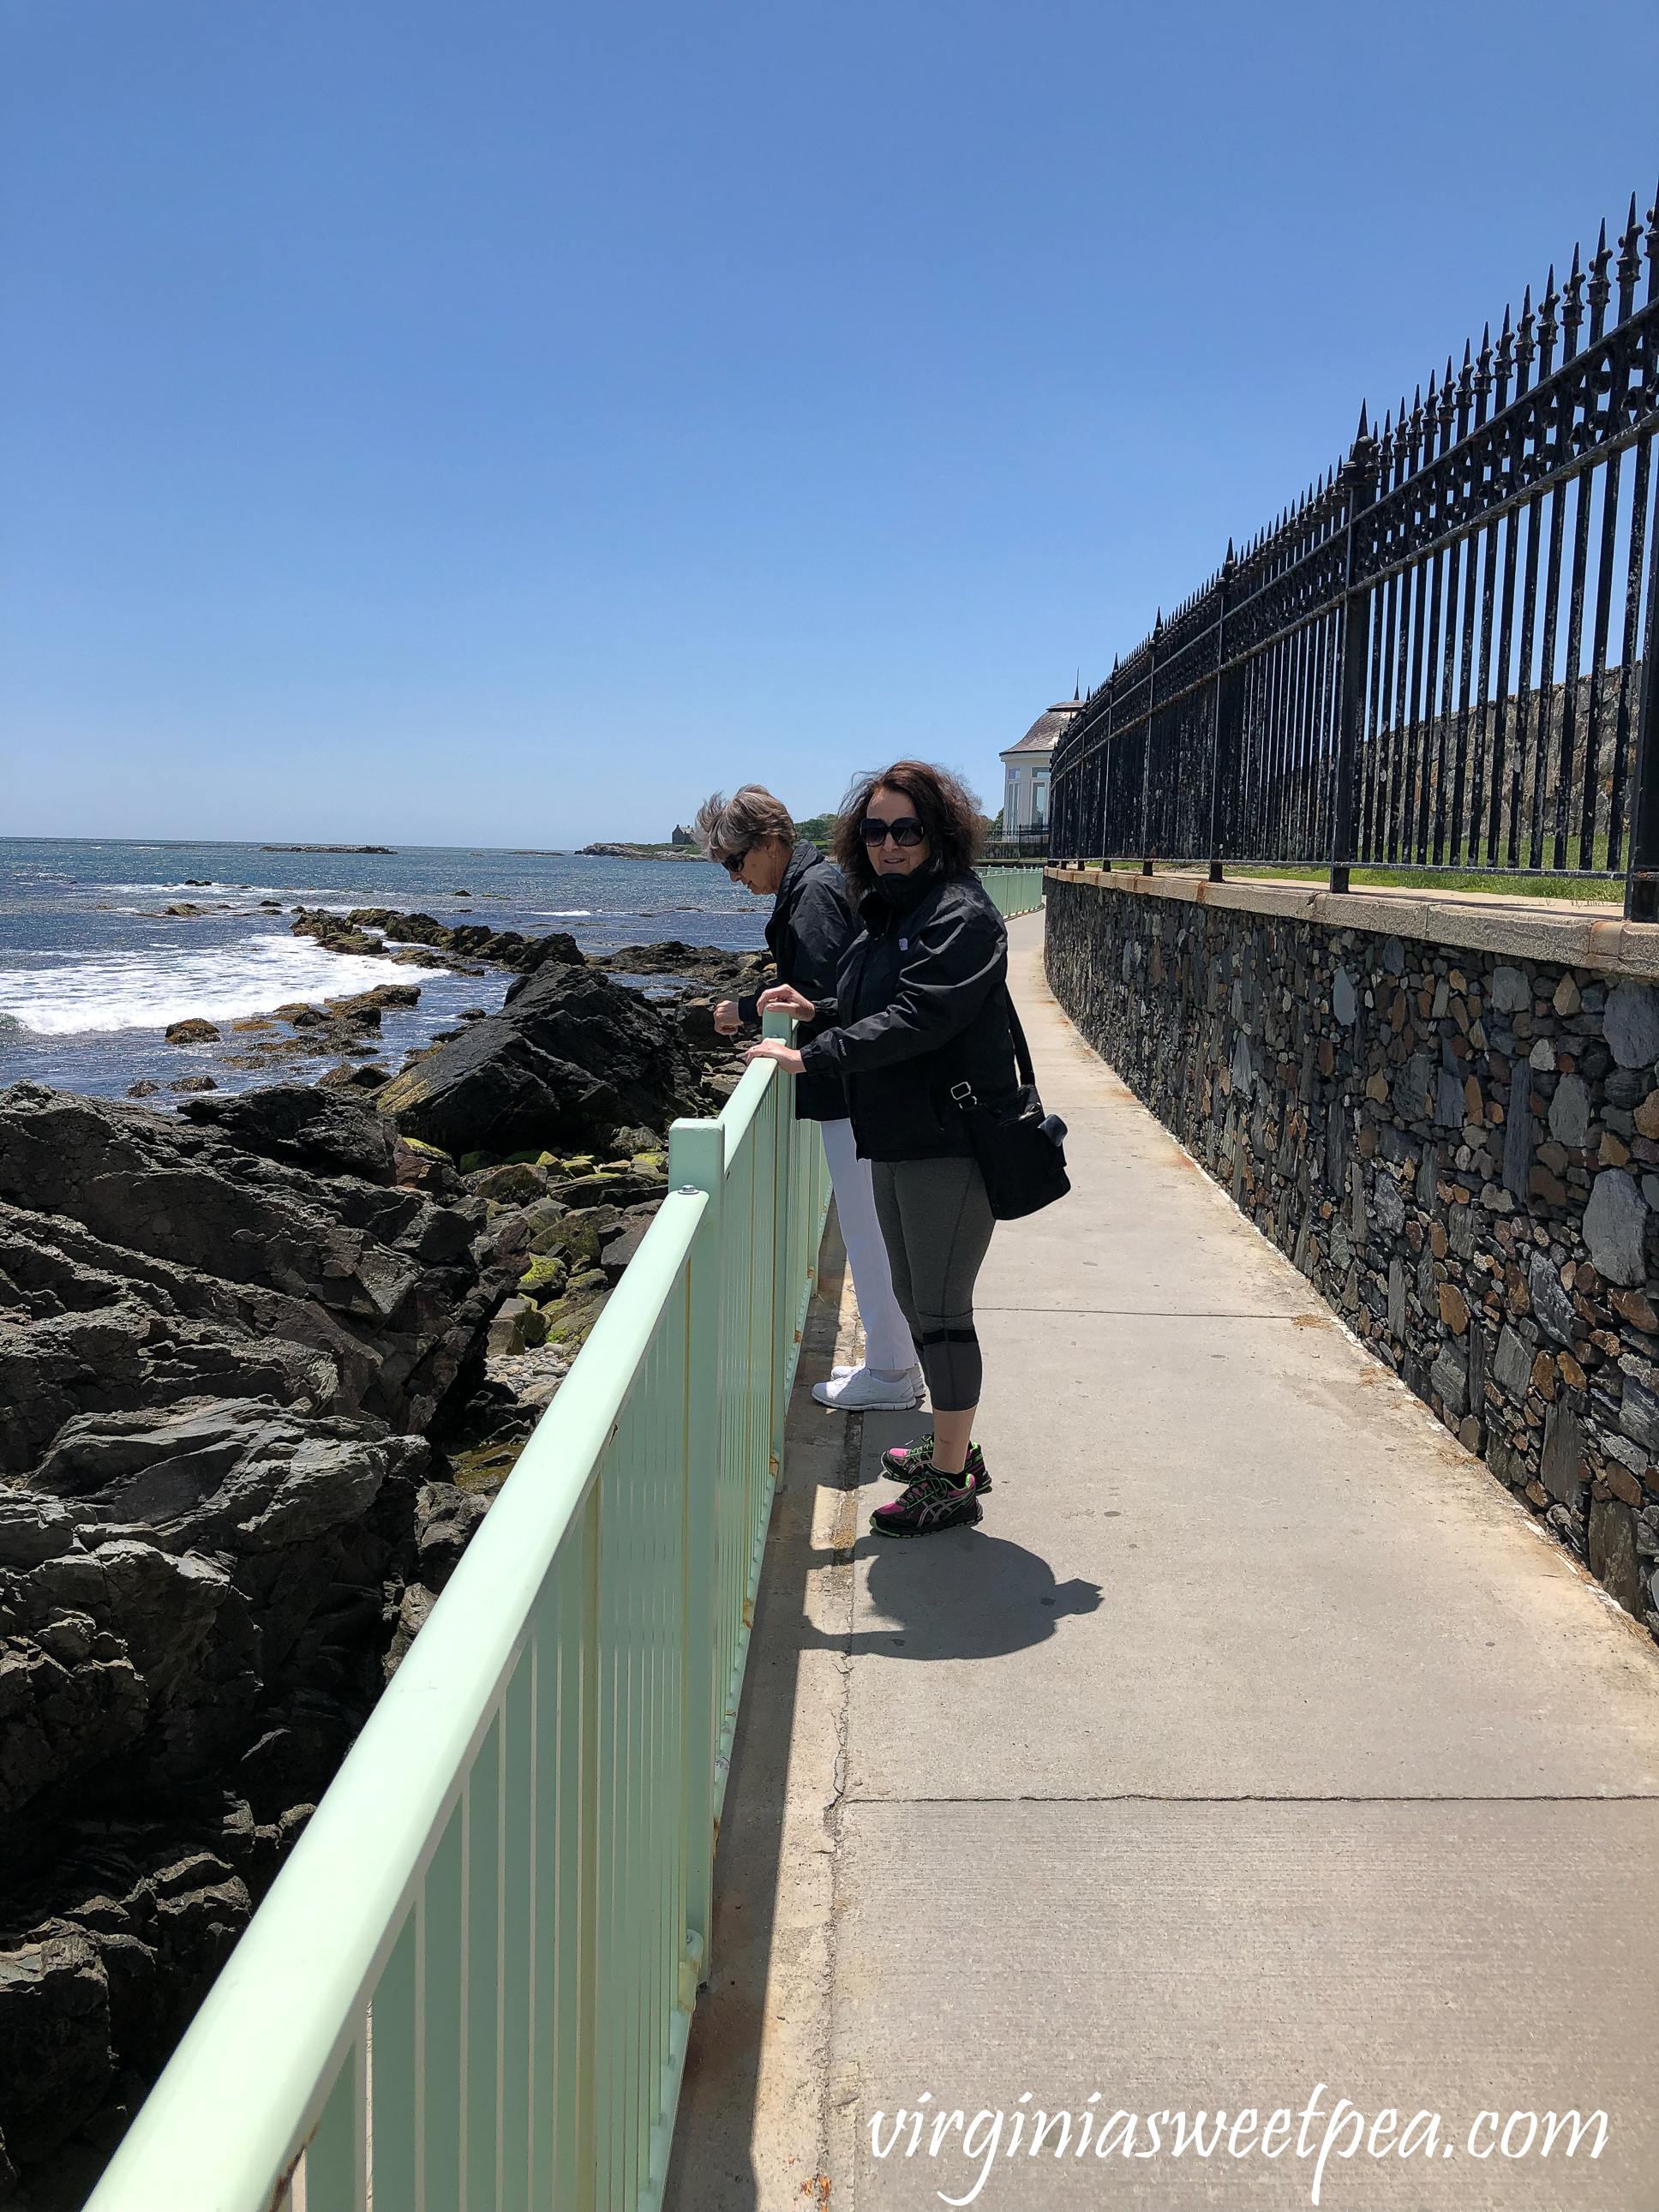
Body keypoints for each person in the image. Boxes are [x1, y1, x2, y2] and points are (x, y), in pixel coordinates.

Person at [745, 761, 1015, 1538]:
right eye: (875, 830)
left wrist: (814, 1055)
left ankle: (953, 1478)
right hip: (902, 1133)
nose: (890, 844)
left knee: (939, 1309)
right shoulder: (898, 909)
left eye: (906, 828)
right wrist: (818, 1005)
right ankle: (952, 1444)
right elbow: (878, 997)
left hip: (949, 1142)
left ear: (939, 831)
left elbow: (920, 1016)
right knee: (911, 1290)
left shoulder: (959, 913)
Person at [694, 784, 921, 1410]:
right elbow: (821, 993)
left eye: (735, 861)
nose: (733, 877)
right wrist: (752, 1007)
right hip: (852, 1080)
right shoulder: (815, 885)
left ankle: (894, 1373)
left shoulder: (813, 895)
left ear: (770, 843)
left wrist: (743, 1009)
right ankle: (892, 1360)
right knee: (869, 1225)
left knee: (867, 1228)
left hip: (848, 1085)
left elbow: (826, 998)